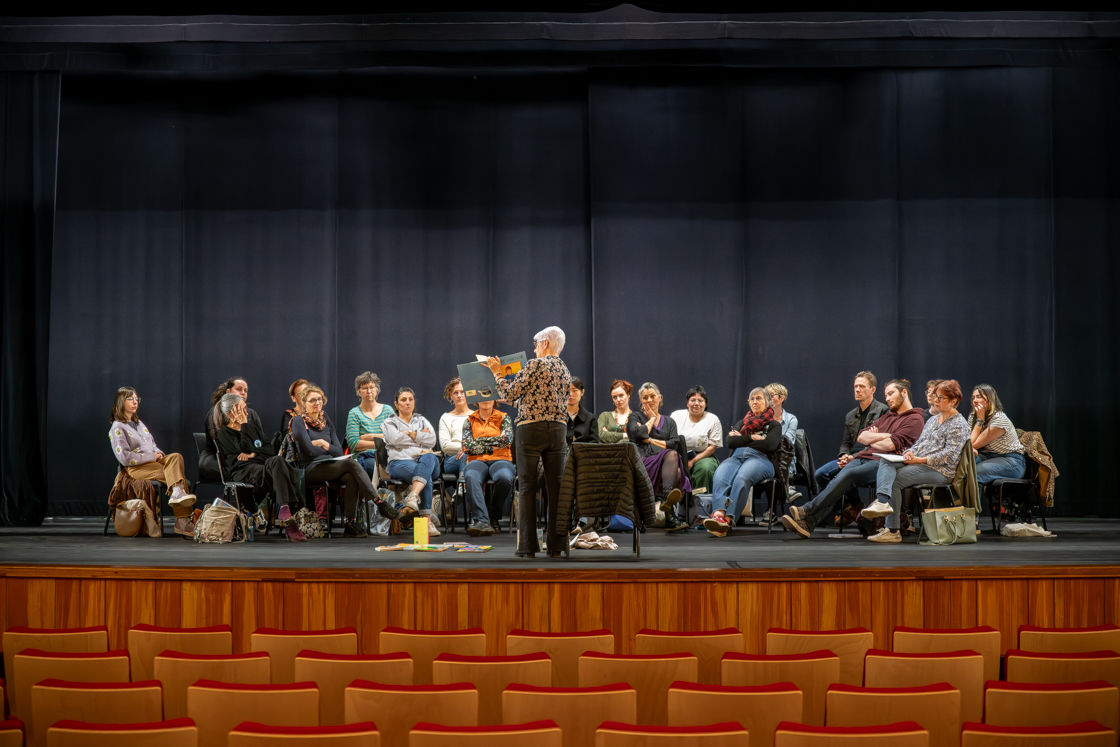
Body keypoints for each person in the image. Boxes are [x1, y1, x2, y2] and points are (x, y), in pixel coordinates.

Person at [781, 379, 925, 538]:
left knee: (850, 476)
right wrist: (882, 436)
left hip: (884, 462)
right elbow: (862, 437)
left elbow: (891, 445)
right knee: (836, 477)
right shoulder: (887, 417)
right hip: (863, 457)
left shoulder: (915, 418)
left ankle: (808, 511)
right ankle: (808, 523)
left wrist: (877, 438)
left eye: (891, 394)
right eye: (886, 395)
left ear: (904, 392)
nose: (888, 398)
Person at [489, 325, 572, 558]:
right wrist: (517, 402)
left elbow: (509, 393)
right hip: (558, 430)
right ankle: (556, 547)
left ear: (545, 343)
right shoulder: (565, 370)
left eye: (536, 345)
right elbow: (538, 399)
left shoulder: (536, 364)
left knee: (527, 486)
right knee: (556, 488)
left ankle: (527, 546)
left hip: (531, 430)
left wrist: (497, 374)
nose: (534, 350)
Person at [860, 379, 971, 543]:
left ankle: (892, 530)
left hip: (941, 471)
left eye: (941, 398)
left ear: (954, 401)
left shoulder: (959, 424)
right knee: (886, 460)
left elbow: (950, 456)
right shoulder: (934, 419)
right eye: (936, 396)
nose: (936, 400)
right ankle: (882, 501)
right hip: (921, 462)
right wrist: (910, 452)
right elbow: (920, 443)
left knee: (895, 480)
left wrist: (920, 460)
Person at [291, 384, 399, 538]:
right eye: (312, 400)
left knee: (351, 477)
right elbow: (307, 451)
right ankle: (377, 501)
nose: (317, 403)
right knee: (351, 463)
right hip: (309, 468)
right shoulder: (298, 421)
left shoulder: (324, 419)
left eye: (319, 399)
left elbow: (338, 451)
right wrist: (326, 448)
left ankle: (350, 524)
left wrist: (323, 444)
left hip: (330, 464)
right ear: (304, 403)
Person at [214, 393, 305, 541]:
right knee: (283, 469)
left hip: (261, 466)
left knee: (279, 461)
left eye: (246, 409)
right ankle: (290, 518)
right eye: (242, 410)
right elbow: (244, 447)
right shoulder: (224, 433)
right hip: (242, 471)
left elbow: (268, 450)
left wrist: (253, 455)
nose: (247, 413)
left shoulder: (252, 426)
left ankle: (284, 509)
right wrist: (245, 427)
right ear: (231, 414)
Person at [108, 387, 195, 537]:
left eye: (137, 399)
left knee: (176, 457)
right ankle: (181, 520)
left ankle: (176, 492)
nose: (135, 402)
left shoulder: (139, 423)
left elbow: (152, 445)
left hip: (153, 463)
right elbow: (125, 457)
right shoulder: (117, 427)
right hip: (136, 468)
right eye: (131, 399)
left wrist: (159, 453)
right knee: (176, 476)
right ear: (121, 402)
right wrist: (152, 457)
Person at [703, 388, 782, 536]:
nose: (754, 401)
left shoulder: (773, 425)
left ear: (767, 402)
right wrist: (752, 438)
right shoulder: (743, 422)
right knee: (720, 474)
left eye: (758, 398)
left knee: (742, 477)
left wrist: (741, 439)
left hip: (761, 459)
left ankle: (728, 519)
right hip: (737, 457)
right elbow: (730, 442)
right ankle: (718, 515)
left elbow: (769, 445)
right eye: (751, 399)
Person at [812, 372, 888, 516]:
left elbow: (877, 443)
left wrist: (853, 457)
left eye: (862, 386)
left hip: (869, 458)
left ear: (873, 389)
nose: (857, 389)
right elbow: (846, 443)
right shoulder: (850, 415)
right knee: (820, 474)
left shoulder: (883, 411)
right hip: (851, 458)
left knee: (848, 472)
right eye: (855, 386)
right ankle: (854, 504)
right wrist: (844, 456)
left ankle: (850, 510)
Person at [627, 382, 690, 534]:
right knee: (672, 460)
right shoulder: (635, 416)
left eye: (652, 396)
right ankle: (668, 510)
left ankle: (667, 499)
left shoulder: (669, 421)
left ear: (660, 398)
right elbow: (637, 435)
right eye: (645, 397)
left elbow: (674, 444)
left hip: (665, 461)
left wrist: (649, 440)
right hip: (642, 460)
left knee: (673, 457)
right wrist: (651, 419)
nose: (649, 400)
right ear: (641, 400)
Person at [382, 387, 442, 536]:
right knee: (424, 476)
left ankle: (413, 496)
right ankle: (427, 523)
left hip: (423, 461)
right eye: (403, 400)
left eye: (410, 399)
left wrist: (408, 434)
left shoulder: (421, 420)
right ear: (396, 404)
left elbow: (432, 440)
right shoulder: (389, 422)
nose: (407, 402)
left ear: (414, 402)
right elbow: (394, 439)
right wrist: (419, 437)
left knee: (429, 457)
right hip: (399, 462)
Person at [461, 399, 514, 537]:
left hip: (501, 459)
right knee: (471, 476)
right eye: (482, 397)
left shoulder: (504, 417)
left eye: (489, 396)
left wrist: (478, 441)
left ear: (495, 400)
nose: (485, 400)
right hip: (476, 460)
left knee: (505, 478)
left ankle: (493, 516)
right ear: (476, 400)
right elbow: (467, 447)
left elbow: (506, 440)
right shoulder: (469, 420)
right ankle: (481, 520)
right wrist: (493, 446)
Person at [968, 384, 1027, 491]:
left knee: (973, 474)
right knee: (961, 468)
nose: (975, 400)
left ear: (989, 399)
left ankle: (973, 508)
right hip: (988, 456)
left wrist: (980, 421)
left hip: (1011, 461)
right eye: (973, 397)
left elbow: (972, 444)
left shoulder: (999, 419)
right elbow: (968, 444)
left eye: (979, 397)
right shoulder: (973, 417)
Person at [670, 386, 722, 495]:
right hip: (677, 455)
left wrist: (693, 461)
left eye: (700, 400)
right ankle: (668, 504)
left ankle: (698, 504)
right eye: (692, 400)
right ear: (687, 403)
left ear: (705, 404)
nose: (696, 403)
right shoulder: (676, 416)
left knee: (706, 469)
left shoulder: (713, 419)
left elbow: (712, 447)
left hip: (703, 455)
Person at [346, 372, 392, 482]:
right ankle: (380, 498)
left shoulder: (387, 410)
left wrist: (369, 436)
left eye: (372, 387)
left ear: (377, 390)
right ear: (358, 391)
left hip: (388, 455)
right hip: (365, 457)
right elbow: (354, 444)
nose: (369, 391)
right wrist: (382, 442)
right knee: (379, 469)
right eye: (364, 388)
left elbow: (393, 437)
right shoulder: (354, 413)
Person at [765, 382, 800, 523]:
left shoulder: (791, 419)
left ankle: (772, 512)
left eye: (771, 396)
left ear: (781, 398)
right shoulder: (762, 418)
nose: (768, 399)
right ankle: (788, 490)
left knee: (779, 457)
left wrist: (769, 441)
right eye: (766, 396)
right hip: (766, 457)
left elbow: (788, 441)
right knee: (768, 462)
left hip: (785, 458)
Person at [438, 377, 474, 486]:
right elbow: (445, 445)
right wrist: (465, 448)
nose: (459, 395)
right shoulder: (446, 418)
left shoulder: (476, 415)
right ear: (451, 396)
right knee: (465, 455)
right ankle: (462, 486)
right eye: (456, 393)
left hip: (475, 458)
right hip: (452, 460)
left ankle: (463, 490)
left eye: (462, 392)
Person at [597, 380, 633, 444]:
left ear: (628, 395)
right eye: (614, 397)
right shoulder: (605, 416)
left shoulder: (635, 417)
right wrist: (625, 435)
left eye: (621, 395)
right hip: (607, 453)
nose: (618, 400)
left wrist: (611, 440)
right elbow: (600, 435)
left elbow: (636, 439)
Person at [566, 377, 597, 445]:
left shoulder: (591, 419)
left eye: (574, 390)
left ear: (582, 392)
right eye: (568, 390)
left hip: (583, 455)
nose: (571, 394)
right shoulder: (557, 417)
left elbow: (594, 445)